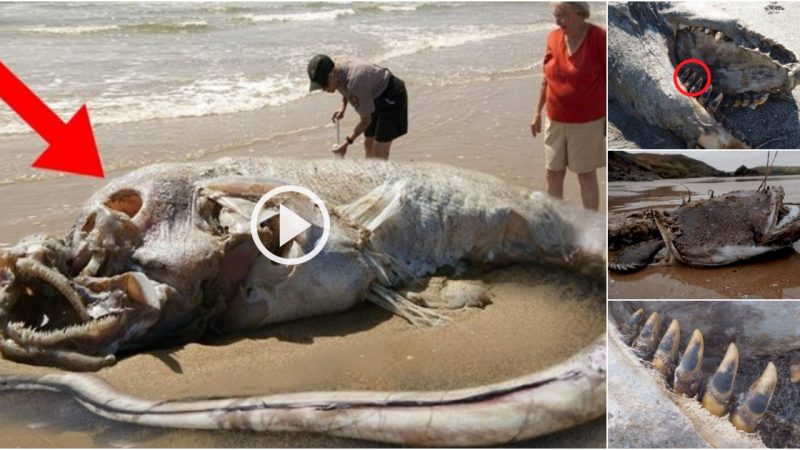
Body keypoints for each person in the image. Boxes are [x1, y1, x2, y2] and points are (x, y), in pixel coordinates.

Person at [530, 2, 605, 210]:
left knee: (585, 175)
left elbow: (613, 81)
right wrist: (537, 112)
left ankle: (592, 229)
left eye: (562, 16)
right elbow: (546, 78)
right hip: (554, 120)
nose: (558, 21)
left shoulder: (599, 38)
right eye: (556, 15)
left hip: (586, 123)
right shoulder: (553, 38)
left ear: (581, 14)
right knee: (552, 173)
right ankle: (558, 223)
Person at [307, 54, 408, 159]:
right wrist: (343, 107)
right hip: (371, 94)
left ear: (332, 73)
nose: (324, 89)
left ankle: (382, 173)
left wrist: (346, 144)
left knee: (378, 153)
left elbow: (366, 120)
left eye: (324, 85)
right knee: (368, 144)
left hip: (392, 96)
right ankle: (371, 173)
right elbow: (343, 86)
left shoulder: (355, 83)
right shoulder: (336, 69)